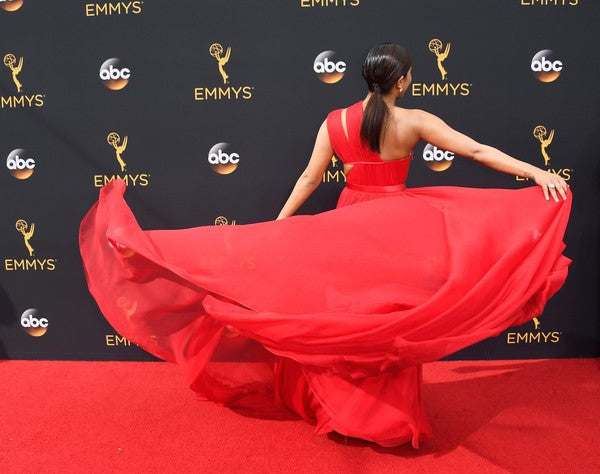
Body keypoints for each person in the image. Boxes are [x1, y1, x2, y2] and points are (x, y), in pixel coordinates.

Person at [79, 43, 572, 448]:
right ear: (400, 81)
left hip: (349, 220)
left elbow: (311, 178)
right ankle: (389, 422)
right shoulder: (415, 120)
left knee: (344, 316)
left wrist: (278, 226)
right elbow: (477, 151)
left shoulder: (335, 121)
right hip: (398, 226)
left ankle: (343, 411)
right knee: (388, 320)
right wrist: (535, 172)